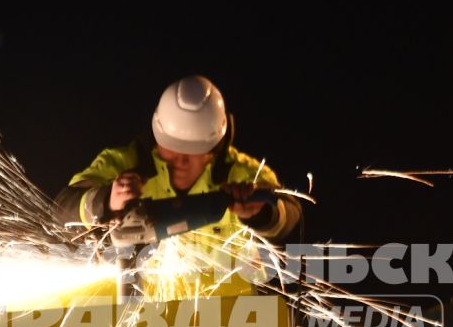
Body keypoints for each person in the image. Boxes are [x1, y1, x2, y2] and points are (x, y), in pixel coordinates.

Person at [56, 76, 301, 294]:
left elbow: (289, 216)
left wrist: (261, 216)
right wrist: (105, 200)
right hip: (148, 321)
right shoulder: (122, 163)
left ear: (214, 148)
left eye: (191, 153)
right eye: (171, 150)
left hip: (234, 322)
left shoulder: (245, 175)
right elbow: (61, 209)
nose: (179, 161)